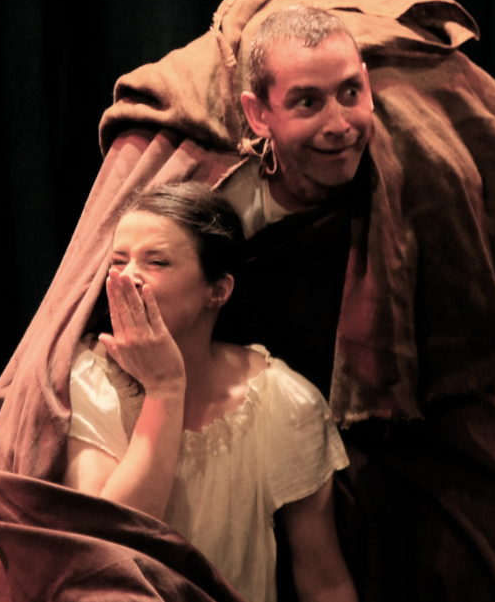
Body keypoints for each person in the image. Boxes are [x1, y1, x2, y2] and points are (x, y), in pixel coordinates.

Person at [0, 0, 495, 602]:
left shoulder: (416, 183)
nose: (339, 124)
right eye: (306, 102)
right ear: (256, 113)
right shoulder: (199, 194)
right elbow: (107, 537)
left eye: (352, 93)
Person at [63, 182, 356, 602]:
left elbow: (324, 580)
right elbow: (109, 548)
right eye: (118, 261)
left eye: (156, 261)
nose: (127, 277)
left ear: (218, 290)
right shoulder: (93, 378)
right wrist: (164, 391)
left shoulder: (283, 400)